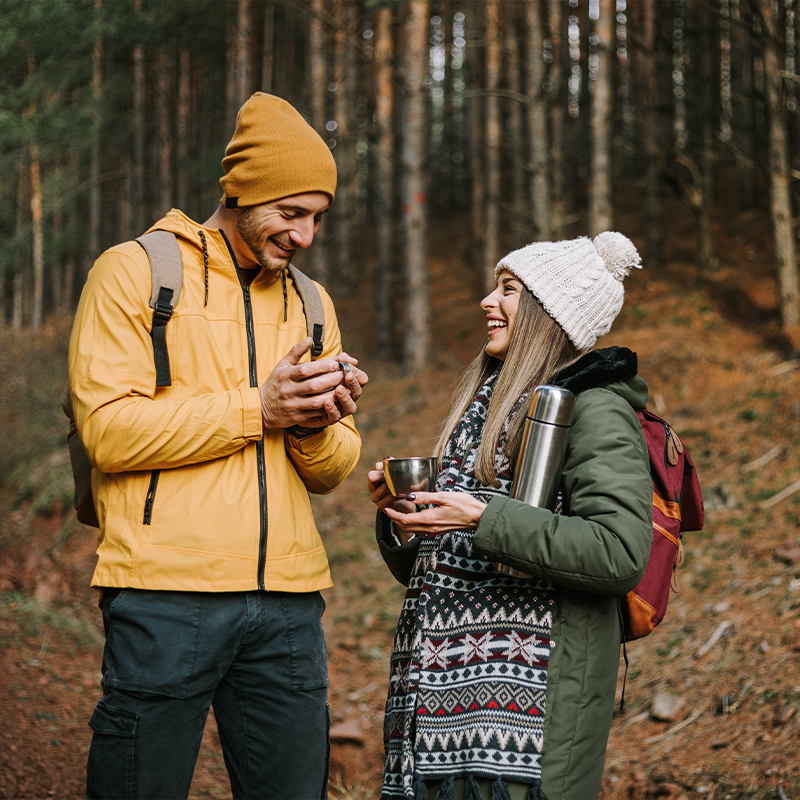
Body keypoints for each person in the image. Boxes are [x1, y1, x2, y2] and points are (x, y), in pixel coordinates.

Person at [69, 93, 368, 800]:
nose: (306, 237)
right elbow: (108, 432)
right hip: (165, 593)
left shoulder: (312, 302)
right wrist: (259, 408)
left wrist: (315, 423)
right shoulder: (135, 273)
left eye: (318, 217)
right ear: (239, 192)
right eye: (290, 213)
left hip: (290, 603)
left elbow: (332, 471)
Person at [368, 233, 653, 800]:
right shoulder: (490, 403)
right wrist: (407, 521)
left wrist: (482, 519)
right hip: (441, 694)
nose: (485, 302)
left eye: (508, 290)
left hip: (534, 709)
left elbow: (619, 553)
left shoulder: (595, 409)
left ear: (550, 313)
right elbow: (450, 568)